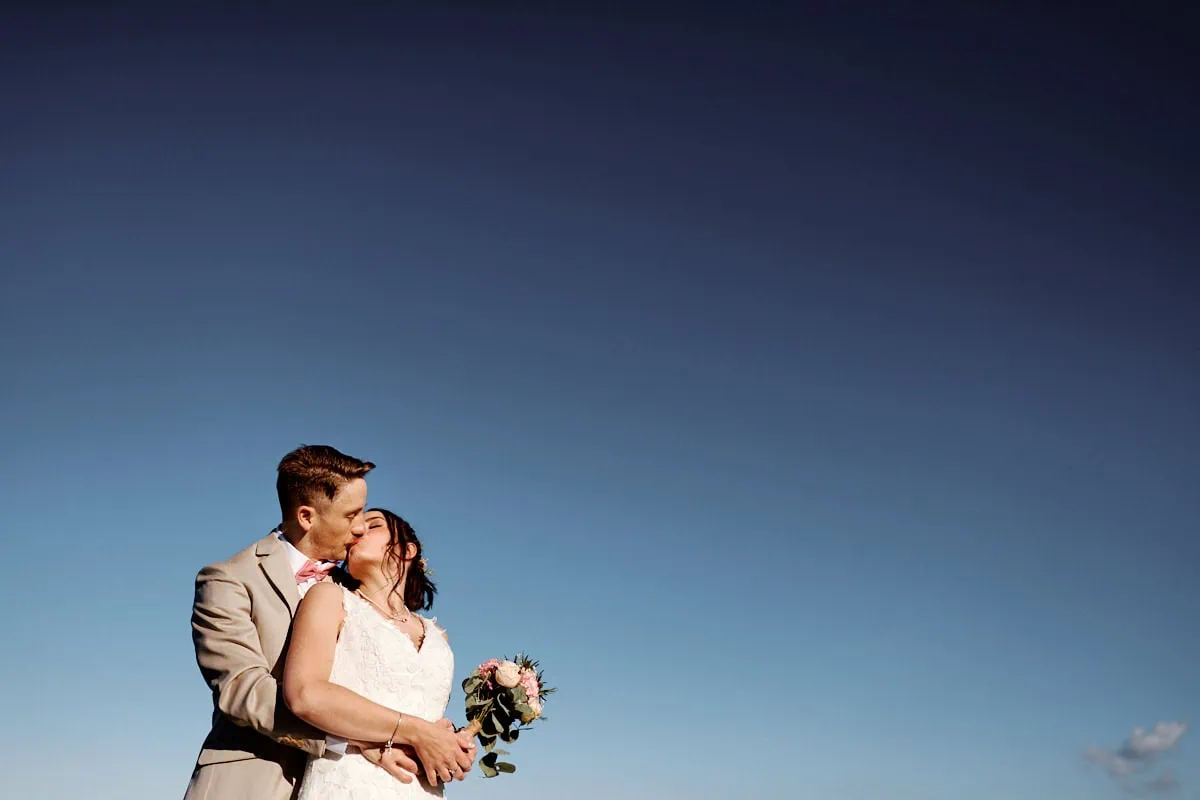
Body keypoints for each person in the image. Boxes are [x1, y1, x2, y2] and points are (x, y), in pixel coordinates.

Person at [184, 445, 474, 800]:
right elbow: (242, 691)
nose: (358, 528)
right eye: (351, 515)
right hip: (256, 778)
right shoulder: (230, 579)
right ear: (307, 517)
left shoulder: (353, 592)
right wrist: (357, 738)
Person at [284, 507, 472, 798]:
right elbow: (306, 693)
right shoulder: (329, 597)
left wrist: (452, 746)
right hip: (348, 780)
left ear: (407, 550)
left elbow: (426, 717)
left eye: (373, 525)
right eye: (355, 526)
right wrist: (417, 732)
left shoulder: (439, 637)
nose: (358, 530)